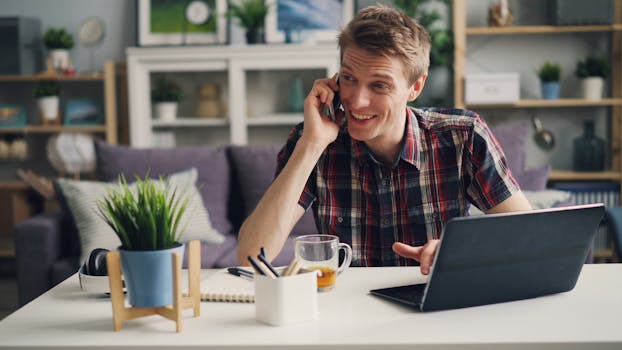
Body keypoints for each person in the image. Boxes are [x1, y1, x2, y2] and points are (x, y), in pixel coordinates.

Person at [237, 5, 532, 274]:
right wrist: (312, 144)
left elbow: (529, 235)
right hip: (349, 317)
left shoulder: (463, 137)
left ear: (415, 87)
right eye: (349, 78)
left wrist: (461, 252)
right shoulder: (313, 141)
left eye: (379, 85)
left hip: (434, 310)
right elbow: (252, 254)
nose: (357, 100)